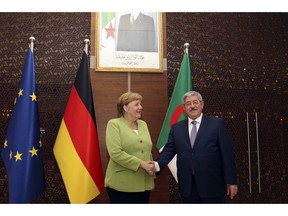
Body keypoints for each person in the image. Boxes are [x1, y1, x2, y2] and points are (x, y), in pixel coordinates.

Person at [154, 91, 238, 203]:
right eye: (188, 104)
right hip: (188, 186)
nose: (192, 106)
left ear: (202, 104)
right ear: (184, 108)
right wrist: (156, 165)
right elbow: (169, 150)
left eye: (195, 102)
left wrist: (231, 181)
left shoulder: (217, 124)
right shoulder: (176, 128)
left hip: (213, 185)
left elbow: (227, 155)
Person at [104, 92, 155, 203]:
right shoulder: (114, 124)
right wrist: (142, 164)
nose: (141, 107)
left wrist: (151, 167)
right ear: (125, 108)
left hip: (144, 183)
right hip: (122, 185)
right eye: (136, 104)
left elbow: (146, 150)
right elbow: (115, 153)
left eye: (141, 104)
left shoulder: (143, 124)